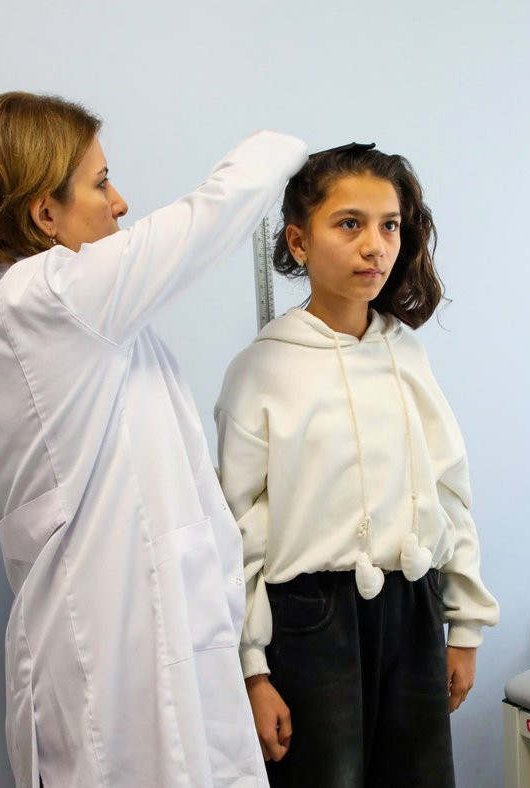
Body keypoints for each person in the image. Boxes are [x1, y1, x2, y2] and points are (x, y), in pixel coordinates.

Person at [0, 91, 306, 787]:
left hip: (152, 647)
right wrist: (285, 146)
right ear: (44, 214)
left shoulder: (74, 323)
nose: (120, 202)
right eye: (100, 182)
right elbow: (206, 220)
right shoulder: (48, 300)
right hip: (113, 660)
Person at [214, 143, 499, 787]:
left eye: (389, 225)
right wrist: (252, 669)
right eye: (350, 224)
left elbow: (448, 491)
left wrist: (465, 624)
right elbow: (237, 527)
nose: (375, 246)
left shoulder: (407, 355)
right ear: (299, 240)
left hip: (415, 607)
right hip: (310, 620)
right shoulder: (262, 369)